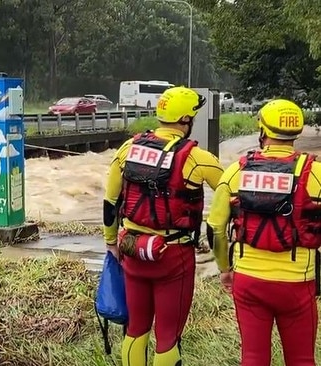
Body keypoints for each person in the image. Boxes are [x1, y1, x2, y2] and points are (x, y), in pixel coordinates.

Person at [103, 86, 224, 366]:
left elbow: (110, 202)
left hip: (132, 249)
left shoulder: (128, 148)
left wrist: (111, 243)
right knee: (168, 336)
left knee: (135, 330)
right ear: (186, 120)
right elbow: (231, 193)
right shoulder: (197, 158)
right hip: (174, 256)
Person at [206, 99, 321, 366]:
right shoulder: (315, 173)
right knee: (302, 359)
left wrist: (224, 269)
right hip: (298, 284)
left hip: (249, 281)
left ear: (263, 131)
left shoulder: (236, 171)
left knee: (254, 358)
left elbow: (215, 228)